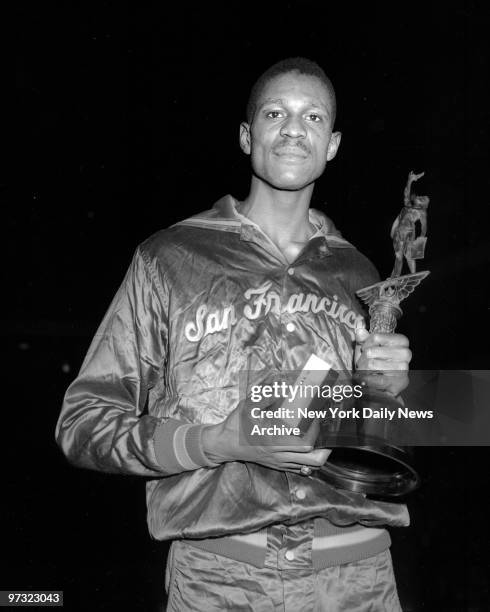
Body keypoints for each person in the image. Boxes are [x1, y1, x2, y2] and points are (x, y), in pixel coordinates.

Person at [56, 57, 412, 611]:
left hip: (358, 576)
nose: (295, 128)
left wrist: (388, 394)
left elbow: (369, 436)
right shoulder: (168, 259)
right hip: (221, 579)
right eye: (276, 113)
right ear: (248, 136)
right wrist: (214, 441)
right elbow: (82, 425)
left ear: (334, 144)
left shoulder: (362, 275)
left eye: (314, 117)